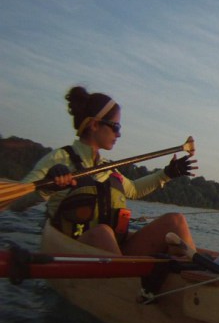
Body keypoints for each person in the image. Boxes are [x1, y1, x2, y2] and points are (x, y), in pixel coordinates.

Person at [21, 86, 197, 255]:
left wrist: (167, 174)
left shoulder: (106, 167)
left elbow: (133, 189)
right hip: (72, 251)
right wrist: (46, 188)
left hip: (111, 252)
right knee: (102, 233)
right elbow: (17, 202)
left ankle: (192, 272)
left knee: (175, 221)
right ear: (94, 125)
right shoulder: (58, 159)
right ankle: (125, 275)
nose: (118, 134)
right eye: (116, 127)